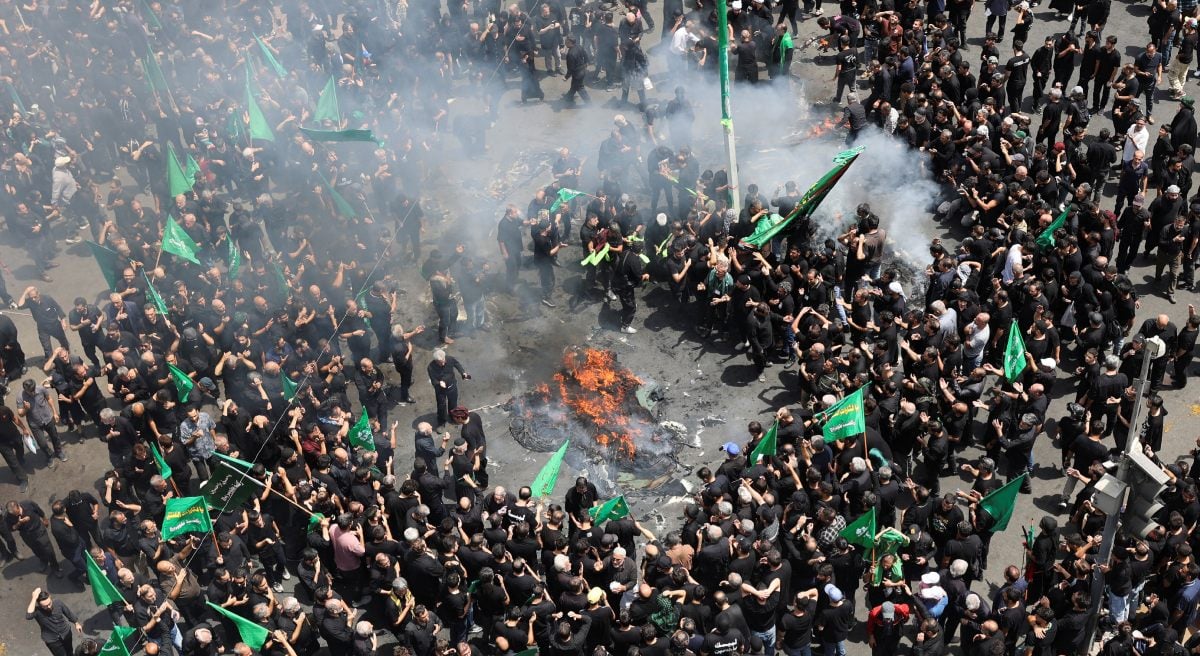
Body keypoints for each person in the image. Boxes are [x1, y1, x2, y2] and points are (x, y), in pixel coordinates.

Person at [26, 588, 82, 656]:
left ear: (50, 597)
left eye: (49, 603)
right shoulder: (37, 611)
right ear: (39, 605)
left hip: (66, 632)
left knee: (70, 651)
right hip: (52, 640)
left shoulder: (58, 602)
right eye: (45, 606)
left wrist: (76, 623)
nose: (49, 607)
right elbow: (28, 616)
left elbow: (68, 612)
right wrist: (34, 598)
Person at [427, 349, 470, 430]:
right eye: (440, 362)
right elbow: (433, 380)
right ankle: (441, 422)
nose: (443, 363)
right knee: (441, 406)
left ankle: (453, 417)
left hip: (452, 385)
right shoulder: (431, 367)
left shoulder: (450, 359)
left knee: (453, 403)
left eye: (443, 361)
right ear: (436, 361)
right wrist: (439, 383)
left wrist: (463, 372)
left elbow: (457, 364)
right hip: (440, 390)